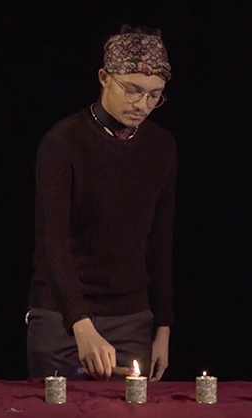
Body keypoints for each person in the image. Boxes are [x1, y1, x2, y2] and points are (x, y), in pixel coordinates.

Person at [27, 24, 177, 382]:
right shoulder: (63, 142)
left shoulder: (162, 146)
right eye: (132, 91)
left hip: (131, 318)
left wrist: (164, 328)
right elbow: (52, 242)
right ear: (104, 78)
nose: (142, 105)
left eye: (155, 95)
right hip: (61, 318)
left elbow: (160, 242)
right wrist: (82, 324)